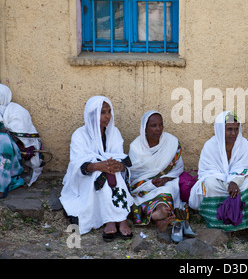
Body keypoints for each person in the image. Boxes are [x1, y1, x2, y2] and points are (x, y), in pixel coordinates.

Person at [59, 96, 133, 240]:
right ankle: (111, 220)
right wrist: (98, 166)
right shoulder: (79, 135)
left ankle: (120, 219)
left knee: (114, 174)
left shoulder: (114, 132)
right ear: (92, 114)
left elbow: (120, 156)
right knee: (100, 175)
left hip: (110, 173)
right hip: (85, 178)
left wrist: (117, 165)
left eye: (109, 111)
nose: (108, 116)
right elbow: (77, 165)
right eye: (103, 112)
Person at [189, 111, 248, 236]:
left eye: (236, 129)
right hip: (218, 183)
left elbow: (243, 167)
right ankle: (218, 223)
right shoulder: (210, 146)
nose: (233, 133)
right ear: (220, 129)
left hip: (236, 181)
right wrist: (229, 185)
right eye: (229, 129)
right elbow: (208, 171)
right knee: (209, 184)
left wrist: (234, 181)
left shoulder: (244, 144)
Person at [128, 111, 194, 242]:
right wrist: (151, 183)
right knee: (141, 196)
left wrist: (166, 178)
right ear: (144, 128)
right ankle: (161, 216)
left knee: (167, 190)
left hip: (168, 180)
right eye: (153, 126)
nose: (158, 129)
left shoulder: (171, 142)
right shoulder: (135, 147)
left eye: (160, 125)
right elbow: (134, 175)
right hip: (143, 185)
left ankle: (159, 215)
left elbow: (178, 168)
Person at [0, 84, 45, 198]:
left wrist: (4, 130)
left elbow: (23, 139)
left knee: (3, 141)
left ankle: (2, 186)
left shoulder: (16, 111)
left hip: (13, 150)